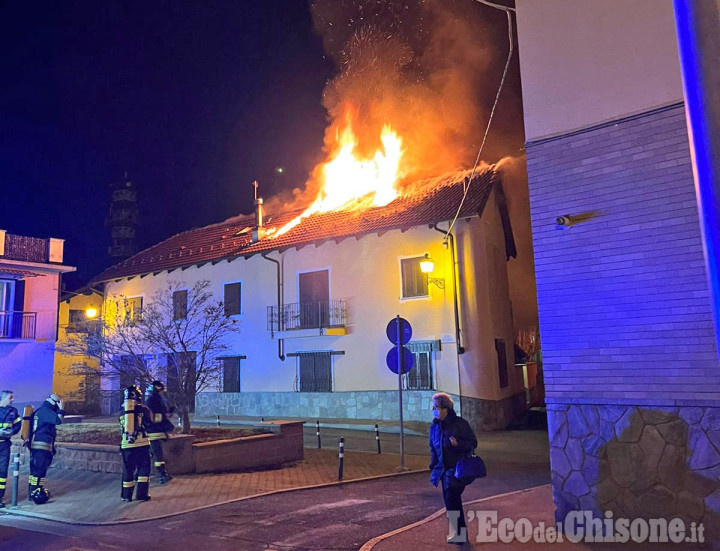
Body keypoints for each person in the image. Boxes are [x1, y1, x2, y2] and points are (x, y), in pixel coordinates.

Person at [429, 392, 478, 544]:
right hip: (442, 471)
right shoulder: (434, 426)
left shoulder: (459, 424)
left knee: (452, 500)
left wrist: (458, 445)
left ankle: (460, 535)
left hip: (457, 470)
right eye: (433, 407)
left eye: (436, 407)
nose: (434, 410)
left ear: (445, 408)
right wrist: (432, 466)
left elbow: (472, 442)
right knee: (451, 502)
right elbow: (433, 447)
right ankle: (459, 534)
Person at [29, 394, 64, 504]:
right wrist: (62, 409)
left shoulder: (42, 410)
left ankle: (33, 491)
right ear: (55, 403)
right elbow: (58, 420)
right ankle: (35, 492)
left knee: (37, 471)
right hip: (42, 446)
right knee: (39, 471)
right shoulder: (46, 411)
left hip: (39, 445)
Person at [119, 385, 152, 502]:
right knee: (143, 470)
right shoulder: (144, 410)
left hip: (126, 446)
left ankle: (126, 496)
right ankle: (141, 495)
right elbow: (149, 423)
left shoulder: (122, 411)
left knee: (128, 471)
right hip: (142, 445)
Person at [145, 380, 174, 483]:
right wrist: (164, 416)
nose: (163, 393)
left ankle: (159, 473)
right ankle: (162, 475)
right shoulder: (151, 401)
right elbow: (151, 417)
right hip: (153, 432)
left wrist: (166, 414)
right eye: (161, 391)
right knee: (158, 455)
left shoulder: (156, 400)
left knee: (154, 454)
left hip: (157, 431)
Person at [0, 390, 21, 508]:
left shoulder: (13, 412)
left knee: (2, 473)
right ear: (3, 398)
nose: (12, 400)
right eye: (10, 398)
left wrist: (11, 432)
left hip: (4, 445)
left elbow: (18, 425)